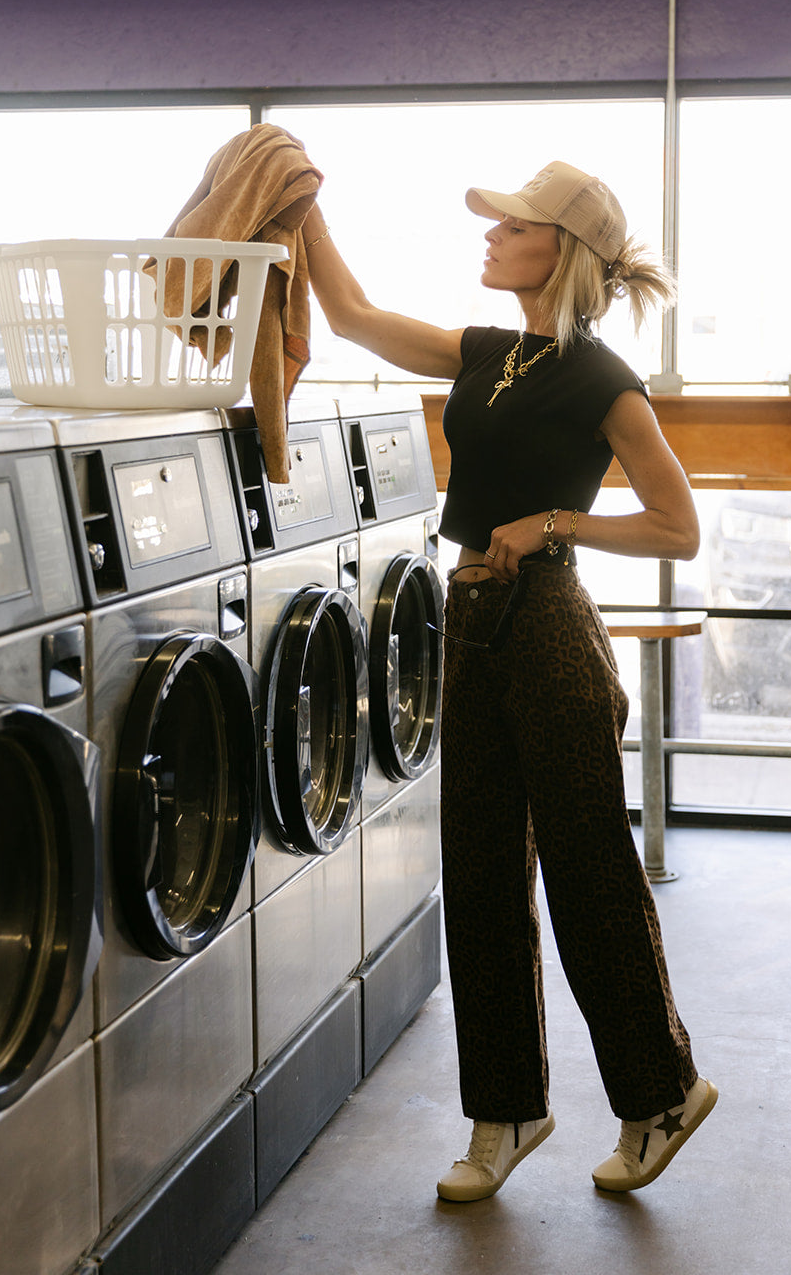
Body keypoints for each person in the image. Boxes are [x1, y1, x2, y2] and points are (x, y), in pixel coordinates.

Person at [302, 156, 717, 1201]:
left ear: (559, 251)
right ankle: (506, 1111)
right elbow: (348, 315)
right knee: (478, 871)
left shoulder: (603, 380)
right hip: (471, 621)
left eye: (509, 226)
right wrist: (300, 205)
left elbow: (677, 524)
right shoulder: (483, 353)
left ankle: (660, 1093)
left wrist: (555, 524)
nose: (487, 237)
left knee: (585, 873)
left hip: (550, 631)